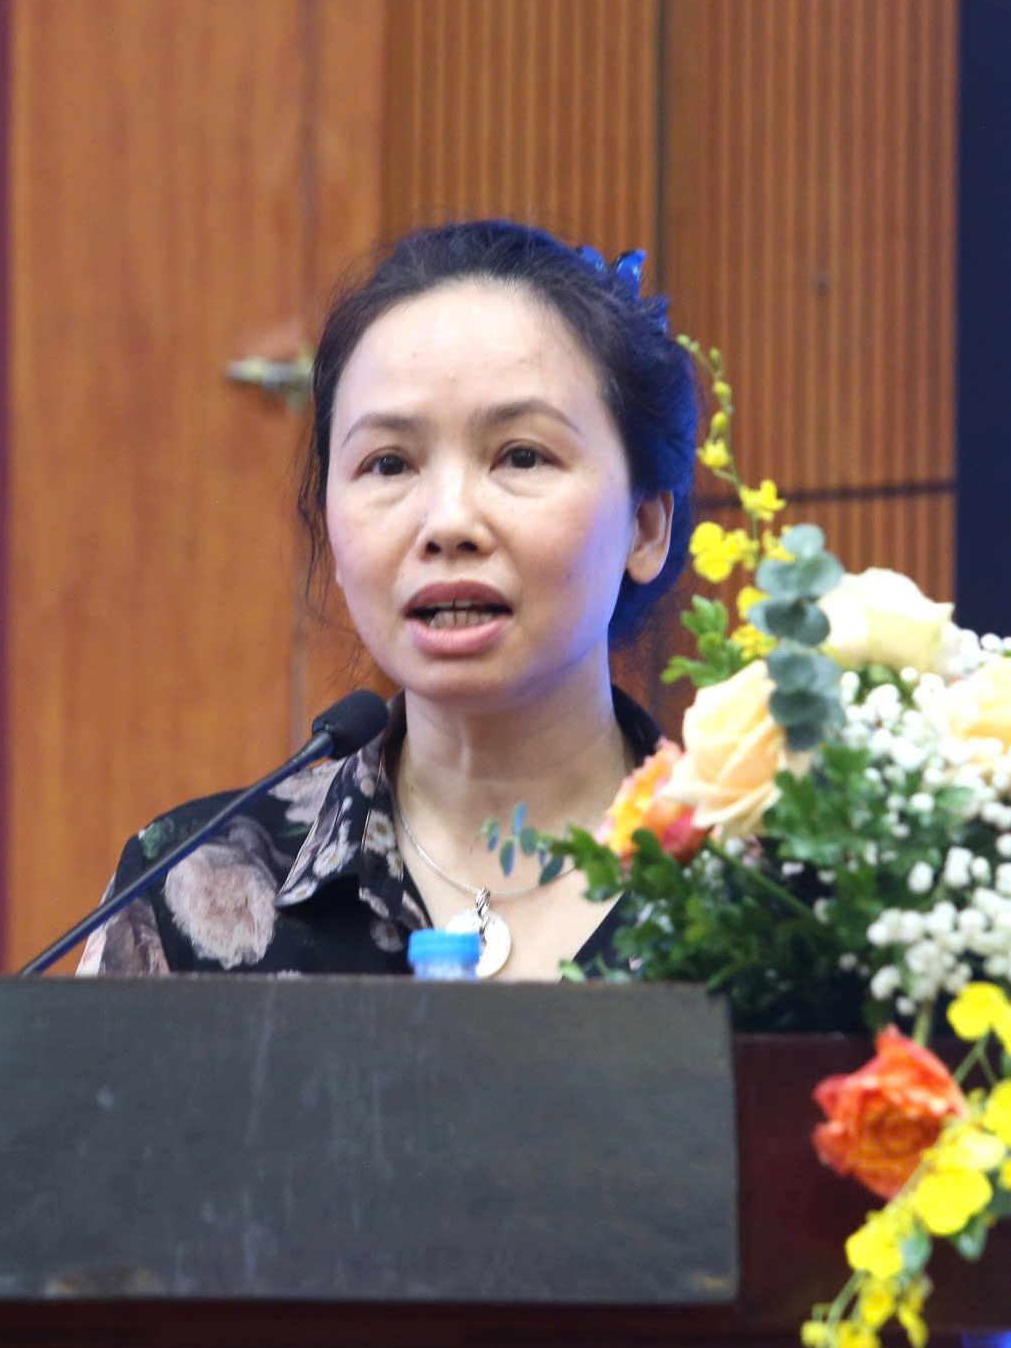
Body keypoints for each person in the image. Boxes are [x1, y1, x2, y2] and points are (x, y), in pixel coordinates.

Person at [76, 219, 699, 980]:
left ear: (645, 525)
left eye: (521, 455)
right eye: (390, 464)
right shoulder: (189, 886)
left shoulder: (780, 893)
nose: (448, 523)